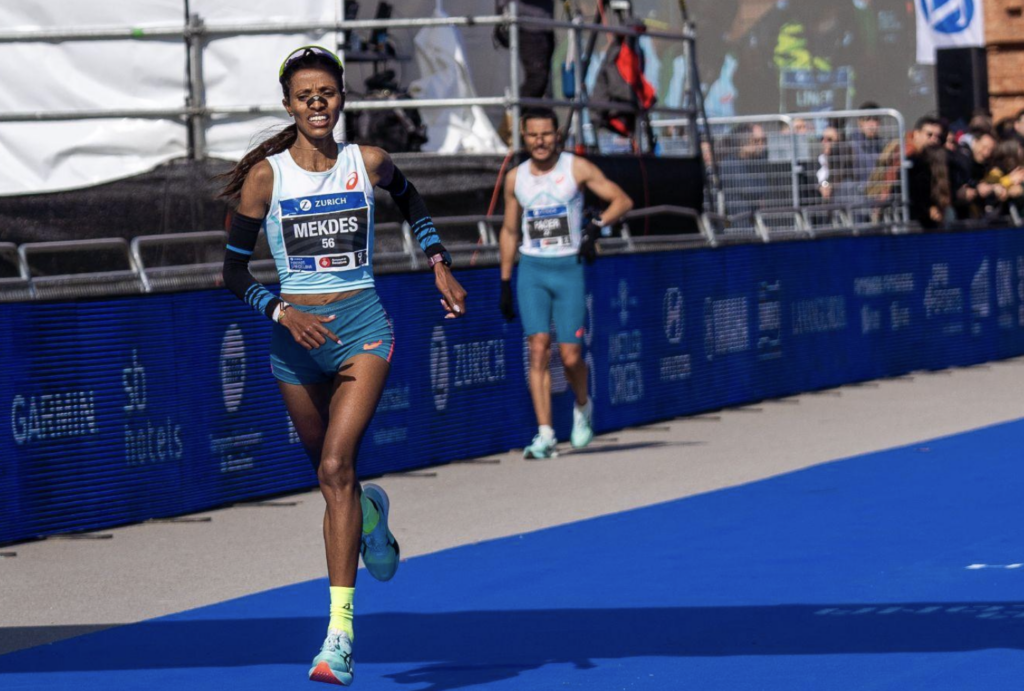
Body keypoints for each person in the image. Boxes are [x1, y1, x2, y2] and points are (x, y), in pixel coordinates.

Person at [218, 46, 467, 686]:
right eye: (305, 96)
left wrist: (437, 259)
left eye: (327, 93)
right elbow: (231, 271)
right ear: (289, 105)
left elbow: (411, 200)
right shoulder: (266, 179)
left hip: (362, 327)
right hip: (294, 337)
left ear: (341, 99)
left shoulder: (368, 162)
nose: (317, 104)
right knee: (337, 484)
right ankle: (374, 516)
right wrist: (280, 312)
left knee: (335, 467)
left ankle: (339, 636)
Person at [498, 108, 632, 459]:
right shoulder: (516, 178)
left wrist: (595, 226)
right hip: (532, 269)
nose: (540, 142)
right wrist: (504, 280)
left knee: (571, 356)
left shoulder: (575, 168)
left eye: (546, 134)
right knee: (538, 347)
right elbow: (510, 230)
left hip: (568, 268)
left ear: (557, 135)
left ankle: (582, 405)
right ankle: (545, 434)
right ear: (523, 138)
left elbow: (622, 200)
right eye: (532, 135)